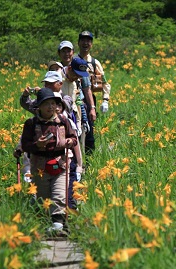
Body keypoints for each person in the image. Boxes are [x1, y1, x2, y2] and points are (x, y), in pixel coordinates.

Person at [21, 88, 77, 232]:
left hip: (60, 162)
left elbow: (74, 138)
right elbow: (25, 145)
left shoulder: (63, 120)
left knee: (59, 194)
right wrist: (37, 145)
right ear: (38, 106)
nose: (51, 107)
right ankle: (47, 225)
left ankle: (58, 225)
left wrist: (69, 142)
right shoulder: (31, 124)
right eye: (46, 104)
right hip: (39, 165)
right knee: (43, 197)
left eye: (53, 103)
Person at [75, 30, 111, 154]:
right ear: (78, 42)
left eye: (88, 41)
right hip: (74, 99)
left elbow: (104, 82)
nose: (86, 43)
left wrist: (105, 100)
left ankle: (89, 162)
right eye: (83, 40)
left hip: (89, 101)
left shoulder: (94, 63)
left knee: (89, 131)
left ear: (91, 44)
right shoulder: (73, 60)